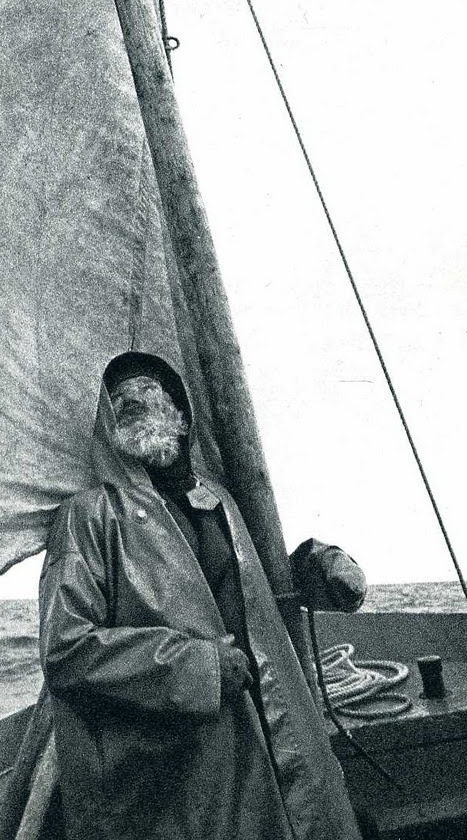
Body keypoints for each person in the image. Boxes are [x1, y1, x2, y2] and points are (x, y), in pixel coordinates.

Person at [39, 350, 366, 840]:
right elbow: (66, 649)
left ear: (181, 414)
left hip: (263, 739)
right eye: (119, 399)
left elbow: (250, 592)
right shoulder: (88, 516)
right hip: (171, 773)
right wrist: (200, 667)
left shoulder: (222, 502)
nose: (131, 401)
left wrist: (313, 564)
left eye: (148, 391)